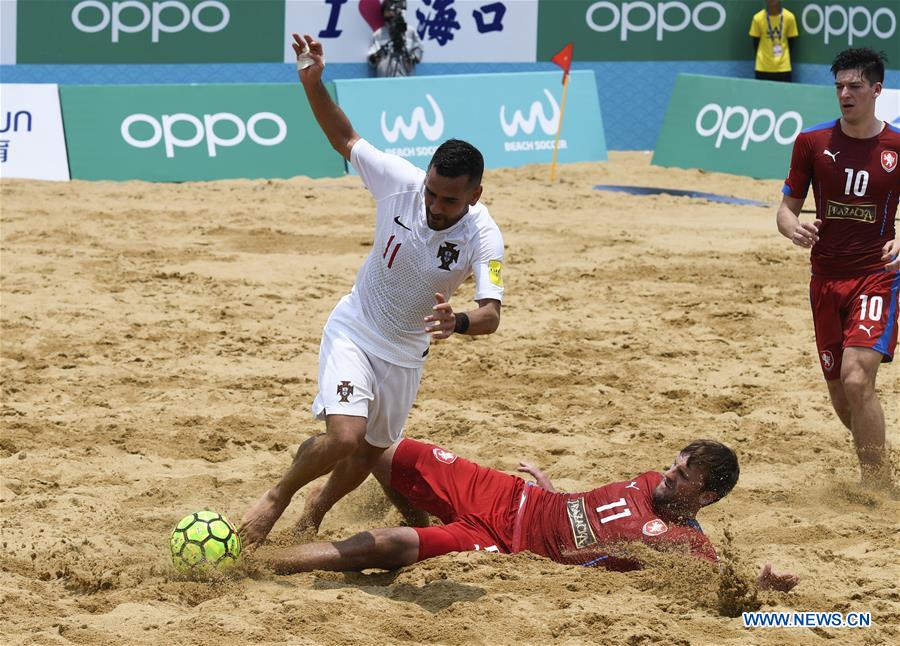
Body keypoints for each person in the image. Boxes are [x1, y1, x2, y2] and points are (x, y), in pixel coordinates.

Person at [239, 32, 504, 545]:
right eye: (431, 191)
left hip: (407, 352)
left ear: (474, 194)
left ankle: (311, 518)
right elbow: (344, 136)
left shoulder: (484, 236)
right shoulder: (400, 182)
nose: (434, 205)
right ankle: (276, 498)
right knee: (345, 436)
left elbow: (492, 312)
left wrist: (461, 320)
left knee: (368, 451)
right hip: (357, 326)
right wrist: (313, 84)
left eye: (449, 200)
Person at [261, 437, 800, 592]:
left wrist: (765, 587)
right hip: (511, 494)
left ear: (705, 498)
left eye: (683, 477)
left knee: (379, 546)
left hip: (505, 545)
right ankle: (312, 512)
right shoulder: (650, 485)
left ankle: (260, 564)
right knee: (381, 447)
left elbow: (730, 594)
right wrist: (554, 490)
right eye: (674, 465)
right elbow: (591, 511)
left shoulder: (683, 542)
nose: (668, 476)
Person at [777, 48, 900, 489]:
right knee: (841, 394)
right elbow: (785, 210)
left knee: (855, 377)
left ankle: (877, 487)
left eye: (854, 86)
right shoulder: (812, 143)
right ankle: (881, 460)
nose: (845, 94)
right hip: (824, 279)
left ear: (877, 90)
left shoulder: (897, 146)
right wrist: (793, 228)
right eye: (839, 87)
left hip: (876, 275)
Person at [367, 0, 423, 78]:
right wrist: (379, 54)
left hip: (406, 78)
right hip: (385, 80)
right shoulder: (378, 35)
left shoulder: (410, 31)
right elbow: (371, 60)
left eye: (393, 10)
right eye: (387, 11)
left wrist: (412, 58)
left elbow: (419, 50)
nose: (390, 13)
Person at [749, 0, 799, 82]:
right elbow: (755, 43)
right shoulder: (757, 18)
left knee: (784, 94)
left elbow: (791, 43)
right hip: (762, 68)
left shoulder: (789, 17)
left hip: (784, 68)